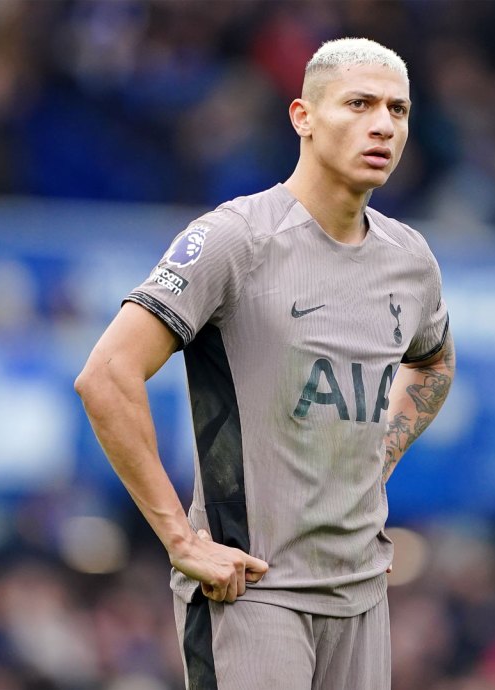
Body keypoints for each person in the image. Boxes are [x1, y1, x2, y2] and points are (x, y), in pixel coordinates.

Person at [74, 37, 455, 690]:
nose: (383, 125)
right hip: (253, 593)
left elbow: (433, 363)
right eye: (359, 103)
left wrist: (379, 458)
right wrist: (181, 540)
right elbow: (107, 375)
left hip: (363, 594)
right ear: (303, 116)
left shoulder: (410, 258)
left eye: (399, 109)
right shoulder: (235, 238)